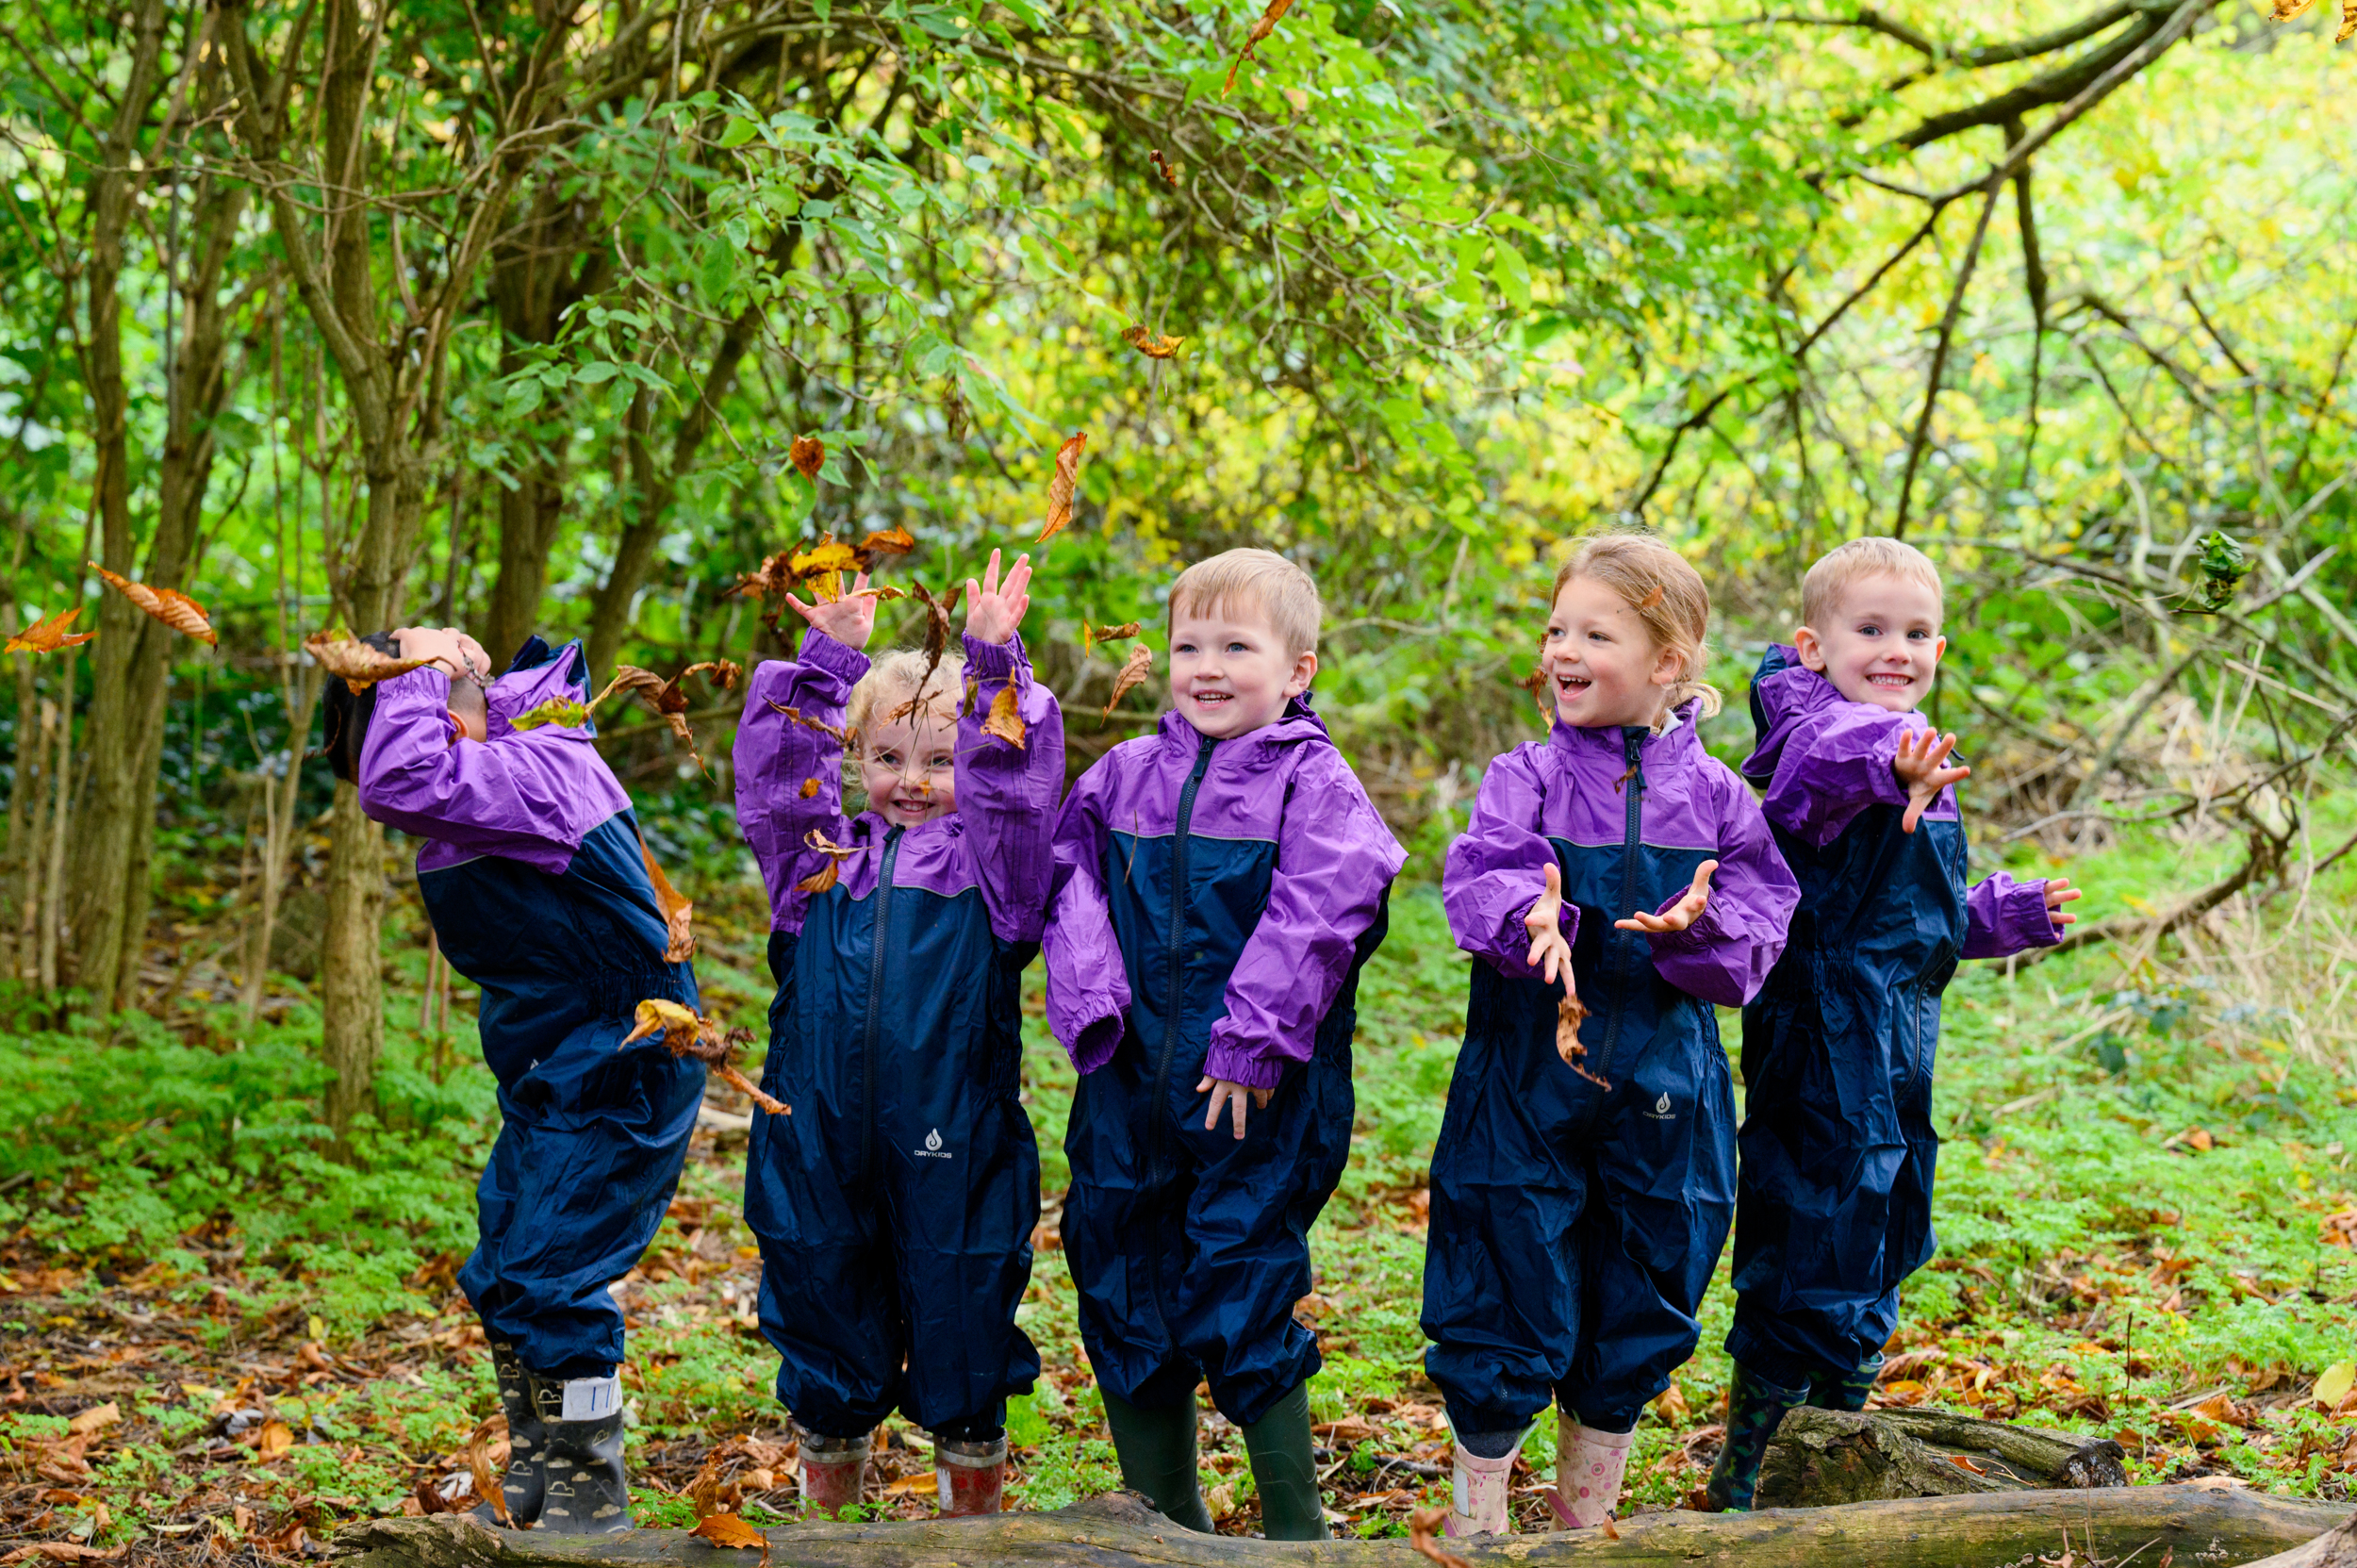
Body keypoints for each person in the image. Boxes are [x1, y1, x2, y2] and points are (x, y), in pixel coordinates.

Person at [1424, 535, 1800, 1538]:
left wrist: (1700, 928)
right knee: (1501, 1277)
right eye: (1557, 629)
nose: (1563, 650)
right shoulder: (1526, 774)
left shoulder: (1717, 796)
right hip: (1523, 1081)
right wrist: (1530, 915)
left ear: (1666, 661)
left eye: (1595, 634)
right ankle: (1477, 1528)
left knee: (1644, 1287)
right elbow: (1481, 871)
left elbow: (1760, 924)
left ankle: (1581, 1529)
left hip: (1664, 1085)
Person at [1706, 536, 2080, 1510]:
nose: (1894, 650)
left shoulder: (1919, 751)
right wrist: (1889, 760)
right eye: (1869, 629)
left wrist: (2009, 912)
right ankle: (1751, 1466)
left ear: (1939, 648)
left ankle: (1837, 1450)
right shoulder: (1817, 735)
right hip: (1820, 1032)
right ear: (1813, 646)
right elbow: (1813, 784)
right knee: (1810, 1228)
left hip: (1900, 1039)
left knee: (1885, 1227)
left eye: (1915, 634)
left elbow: (1922, 916)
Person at [1045, 548, 1405, 1541]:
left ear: (1296, 670)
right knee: (1118, 1269)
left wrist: (1250, 1042)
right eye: (1188, 646)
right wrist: (1091, 998)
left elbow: (1321, 912)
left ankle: (1296, 1533)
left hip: (1254, 1093)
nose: (1207, 667)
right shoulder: (1124, 775)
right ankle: (1169, 1523)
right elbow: (1067, 877)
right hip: (1127, 1080)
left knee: (1242, 1275)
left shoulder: (1313, 783)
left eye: (1236, 647)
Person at [334, 626, 703, 1535]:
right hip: (554, 1071)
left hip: (623, 1059)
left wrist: (420, 663)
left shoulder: (540, 767)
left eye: (409, 720)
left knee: (549, 1269)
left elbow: (405, 777)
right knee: (504, 1262)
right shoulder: (496, 779)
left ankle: (590, 1491)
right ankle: (541, 1462)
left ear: (443, 706)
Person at [733, 551, 1061, 1519]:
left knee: (962, 1317)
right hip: (818, 1135)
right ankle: (831, 1517)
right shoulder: (817, 861)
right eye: (887, 757)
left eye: (940, 760)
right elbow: (775, 779)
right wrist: (825, 666)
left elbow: (1018, 786)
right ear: (856, 757)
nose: (911, 781)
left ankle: (970, 1524)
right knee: (821, 1301)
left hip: (950, 1140)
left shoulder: (993, 871)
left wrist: (995, 665)